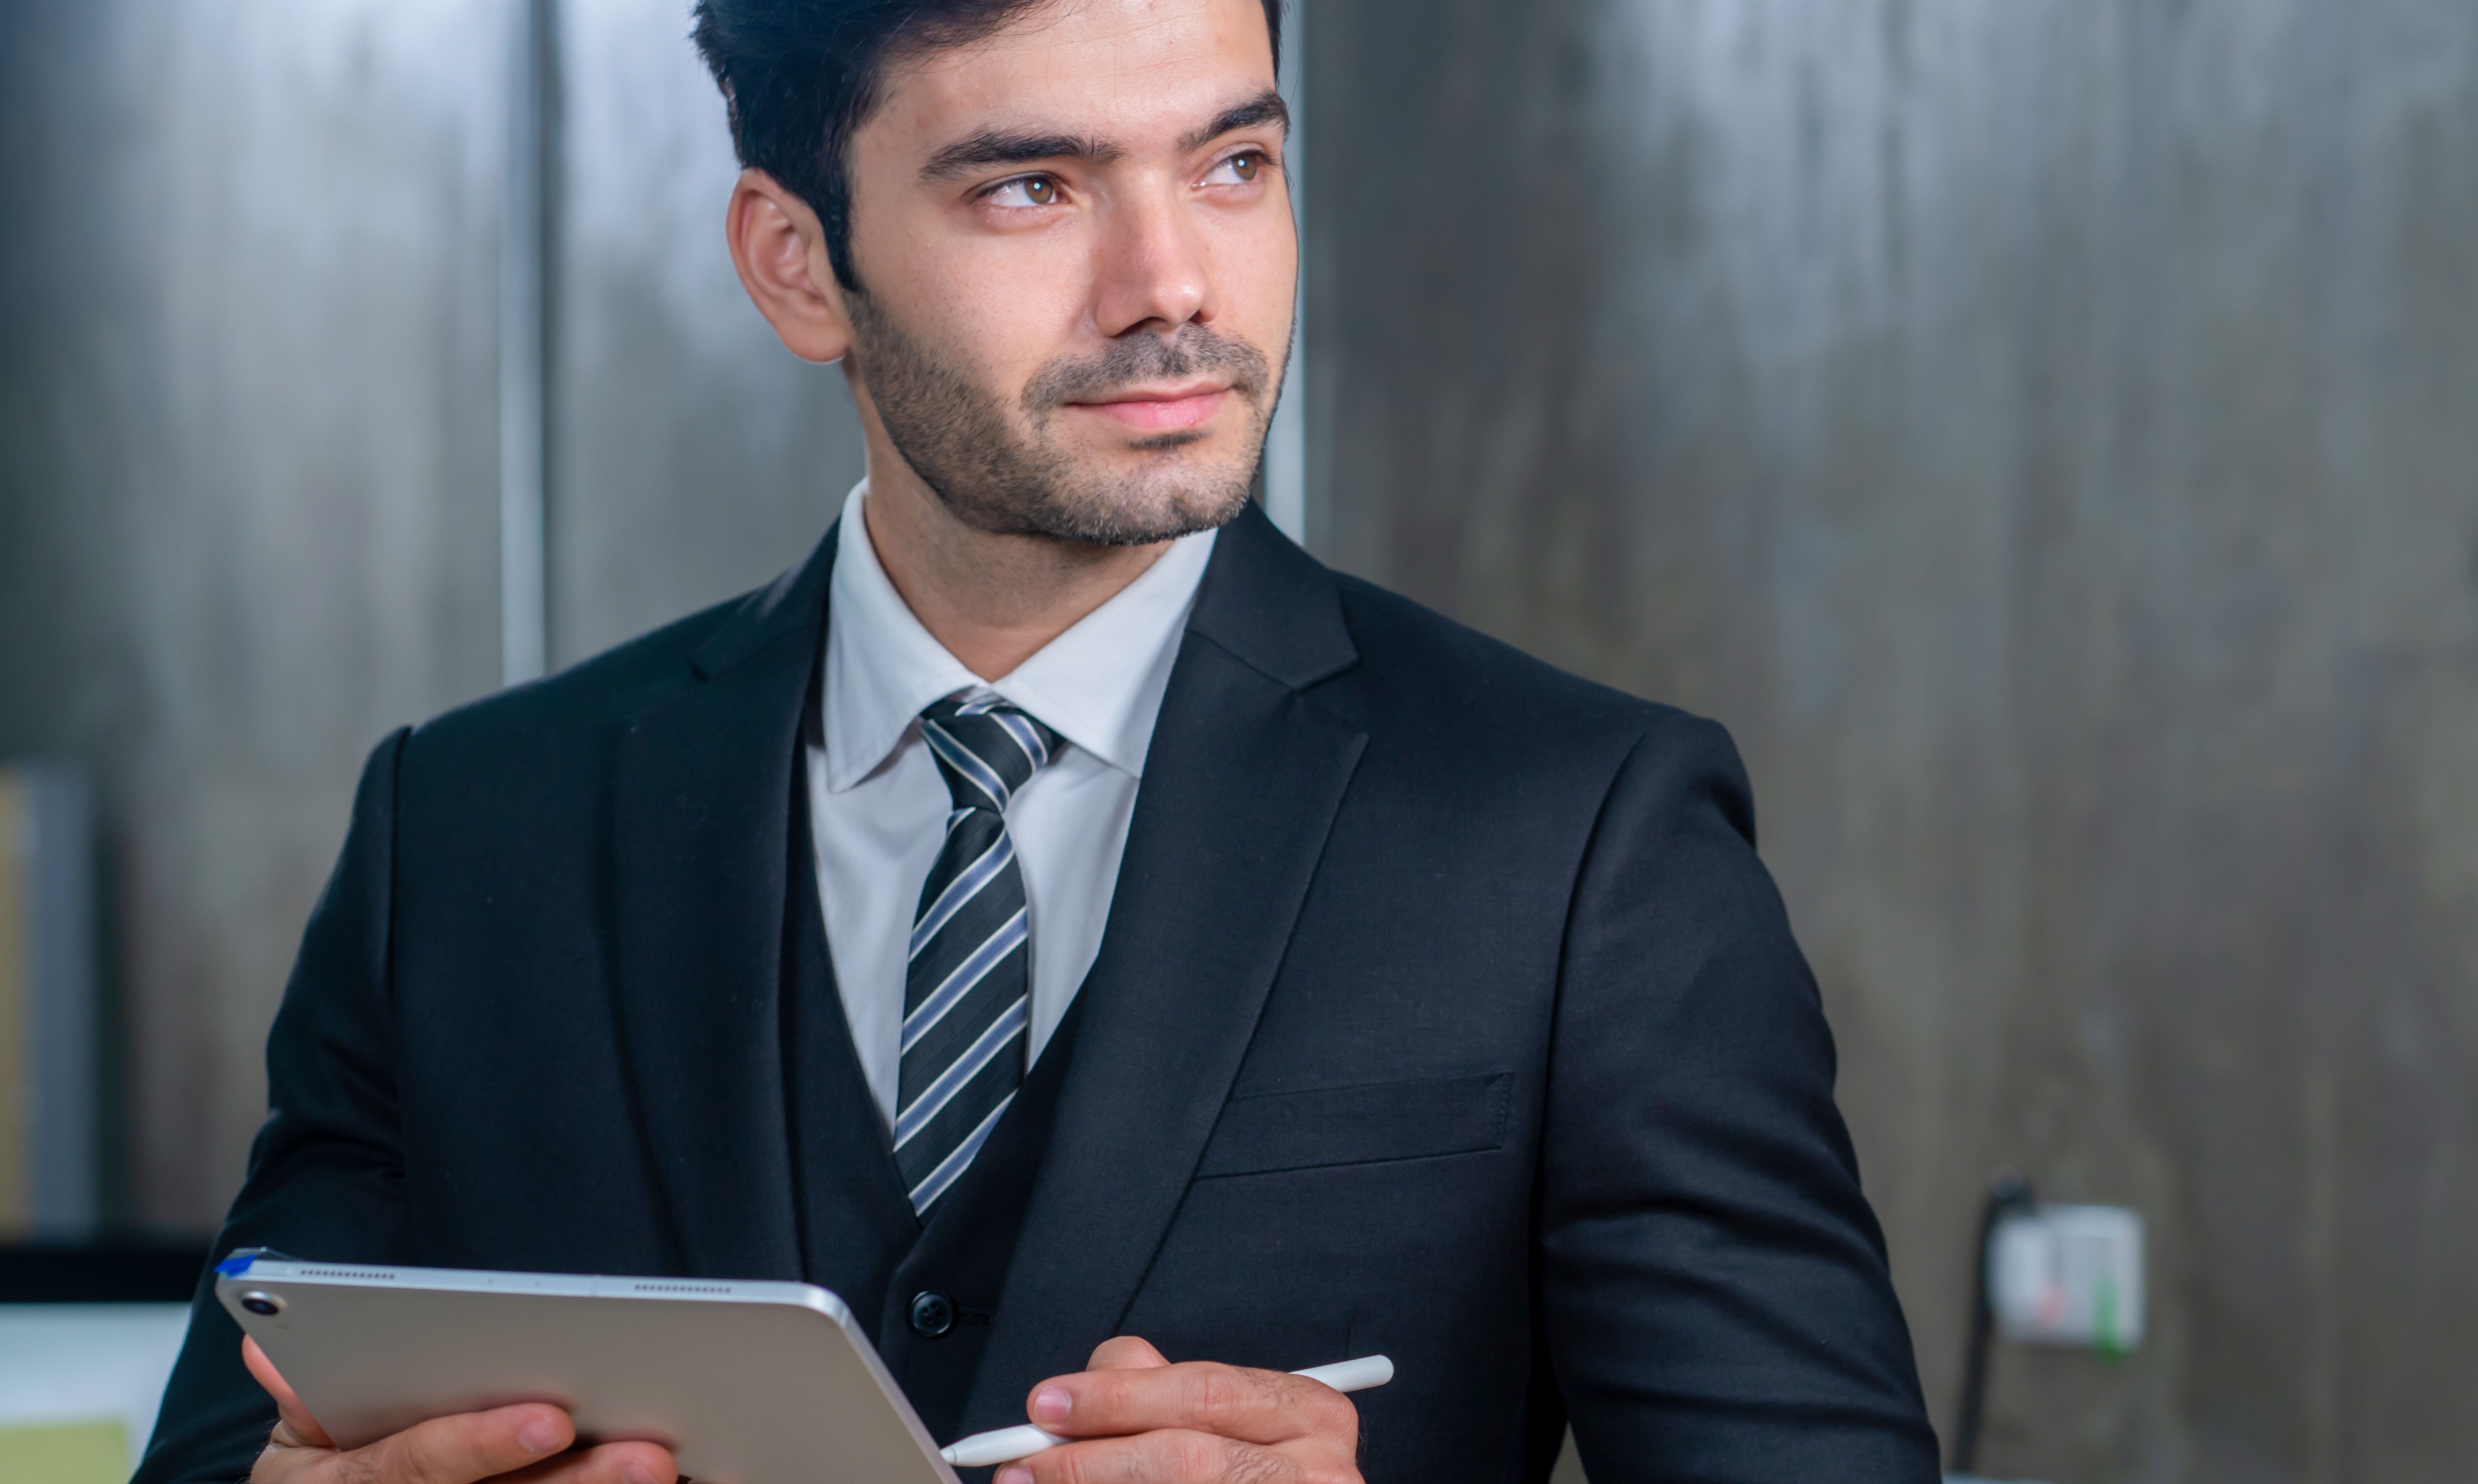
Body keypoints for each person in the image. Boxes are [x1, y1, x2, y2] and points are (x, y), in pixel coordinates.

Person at [131, 2, 1936, 1482]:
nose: (1172, 286)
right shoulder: (467, 834)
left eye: (1233, 164)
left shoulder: (1577, 833)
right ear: (795, 264)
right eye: (1031, 190)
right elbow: (231, 1449)